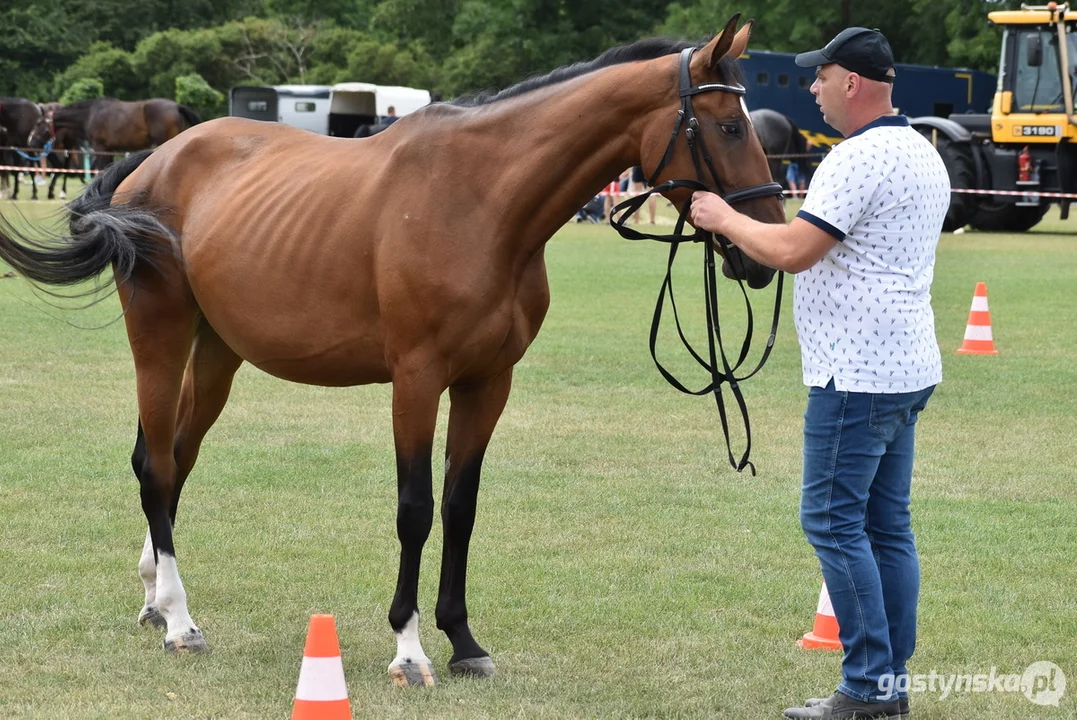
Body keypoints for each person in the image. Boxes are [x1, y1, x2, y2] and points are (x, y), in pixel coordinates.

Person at [689, 27, 949, 720]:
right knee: (886, 526)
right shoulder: (920, 150)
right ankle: (889, 679)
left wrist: (722, 218)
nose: (812, 87)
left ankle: (867, 687)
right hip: (905, 364)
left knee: (833, 523)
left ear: (852, 83)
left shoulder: (854, 159)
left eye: (820, 76)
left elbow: (796, 250)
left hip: (855, 371)